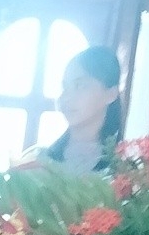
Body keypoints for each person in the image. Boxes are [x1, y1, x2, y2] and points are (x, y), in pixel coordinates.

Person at [43, 46, 122, 175]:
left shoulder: (125, 167)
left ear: (111, 94)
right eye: (65, 87)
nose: (66, 97)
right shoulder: (42, 161)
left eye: (80, 86)